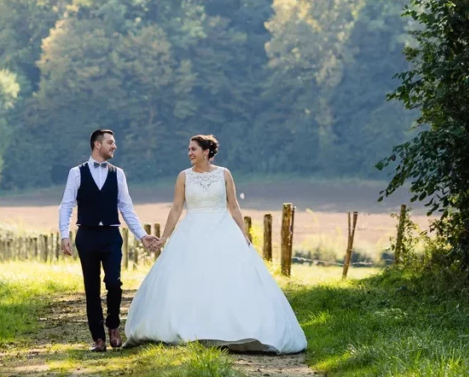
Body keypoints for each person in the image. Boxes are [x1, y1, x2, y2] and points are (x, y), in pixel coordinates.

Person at [123, 134, 307, 354]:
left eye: (193, 149)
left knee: (228, 279)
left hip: (222, 230)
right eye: (189, 149)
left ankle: (235, 330)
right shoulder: (184, 176)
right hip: (191, 232)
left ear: (206, 152)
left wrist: (243, 233)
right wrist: (165, 237)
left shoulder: (224, 174)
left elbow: (234, 206)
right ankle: (192, 328)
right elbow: (176, 208)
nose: (189, 153)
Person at [59, 129, 159, 352]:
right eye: (110, 143)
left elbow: (126, 207)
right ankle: (98, 339)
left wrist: (142, 235)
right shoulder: (76, 173)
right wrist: (64, 234)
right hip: (86, 235)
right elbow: (66, 205)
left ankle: (113, 325)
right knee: (91, 287)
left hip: (112, 235)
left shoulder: (118, 173)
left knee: (114, 282)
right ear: (97, 145)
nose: (114, 146)